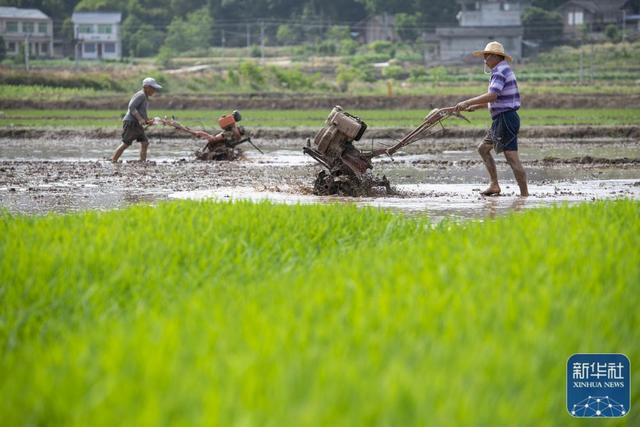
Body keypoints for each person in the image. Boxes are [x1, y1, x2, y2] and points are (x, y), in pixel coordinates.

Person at [454, 41, 528, 197]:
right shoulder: (503, 70)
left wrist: (468, 101)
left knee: (512, 158)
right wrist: (477, 106)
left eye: (487, 56)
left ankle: (524, 195)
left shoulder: (500, 71)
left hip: (505, 119)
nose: (485, 59)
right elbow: (498, 99)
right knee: (483, 149)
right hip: (503, 119)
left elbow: (493, 95)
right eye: (484, 56)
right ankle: (494, 185)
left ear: (496, 56)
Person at [111, 77, 162, 162]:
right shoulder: (141, 95)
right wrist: (140, 119)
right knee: (126, 143)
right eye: (152, 88)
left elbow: (140, 112)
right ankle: (113, 160)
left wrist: (147, 120)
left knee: (145, 143)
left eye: (154, 88)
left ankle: (142, 161)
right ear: (146, 87)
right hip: (131, 122)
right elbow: (131, 107)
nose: (154, 90)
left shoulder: (145, 97)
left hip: (137, 124)